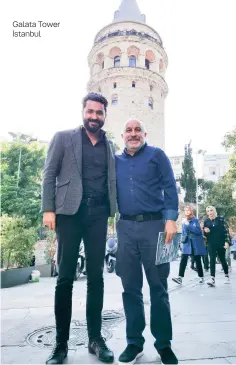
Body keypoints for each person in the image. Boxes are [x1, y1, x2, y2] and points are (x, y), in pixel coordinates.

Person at [41, 92, 116, 364]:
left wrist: (113, 210)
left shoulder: (109, 144)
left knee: (96, 278)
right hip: (69, 214)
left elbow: (111, 178)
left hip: (98, 215)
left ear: (105, 116)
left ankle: (95, 339)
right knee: (65, 279)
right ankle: (61, 344)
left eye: (99, 113)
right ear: (83, 112)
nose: (94, 116)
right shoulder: (64, 137)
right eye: (91, 111)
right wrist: (48, 209)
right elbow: (49, 174)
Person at [115, 119, 178, 365]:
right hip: (126, 229)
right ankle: (134, 343)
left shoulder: (157, 155)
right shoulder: (115, 161)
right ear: (123, 135)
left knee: (159, 289)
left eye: (137, 130)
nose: (133, 134)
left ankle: (164, 344)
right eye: (129, 130)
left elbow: (170, 187)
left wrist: (171, 218)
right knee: (130, 289)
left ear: (144, 134)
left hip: (155, 227)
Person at [172, 205, 206, 285]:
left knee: (197, 260)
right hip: (187, 243)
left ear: (191, 211)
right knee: (183, 260)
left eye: (188, 210)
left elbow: (198, 231)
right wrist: (181, 241)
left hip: (195, 243)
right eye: (186, 210)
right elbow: (183, 232)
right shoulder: (184, 221)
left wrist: (188, 225)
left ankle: (201, 277)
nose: (187, 211)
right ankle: (180, 278)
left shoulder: (195, 220)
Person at [204, 206, 231, 287]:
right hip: (211, 243)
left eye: (211, 210)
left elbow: (226, 231)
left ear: (215, 211)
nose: (210, 212)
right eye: (208, 211)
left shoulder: (221, 219)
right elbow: (205, 234)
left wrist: (227, 242)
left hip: (220, 243)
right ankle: (212, 278)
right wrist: (205, 231)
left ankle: (226, 276)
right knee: (212, 259)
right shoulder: (206, 221)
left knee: (222, 259)